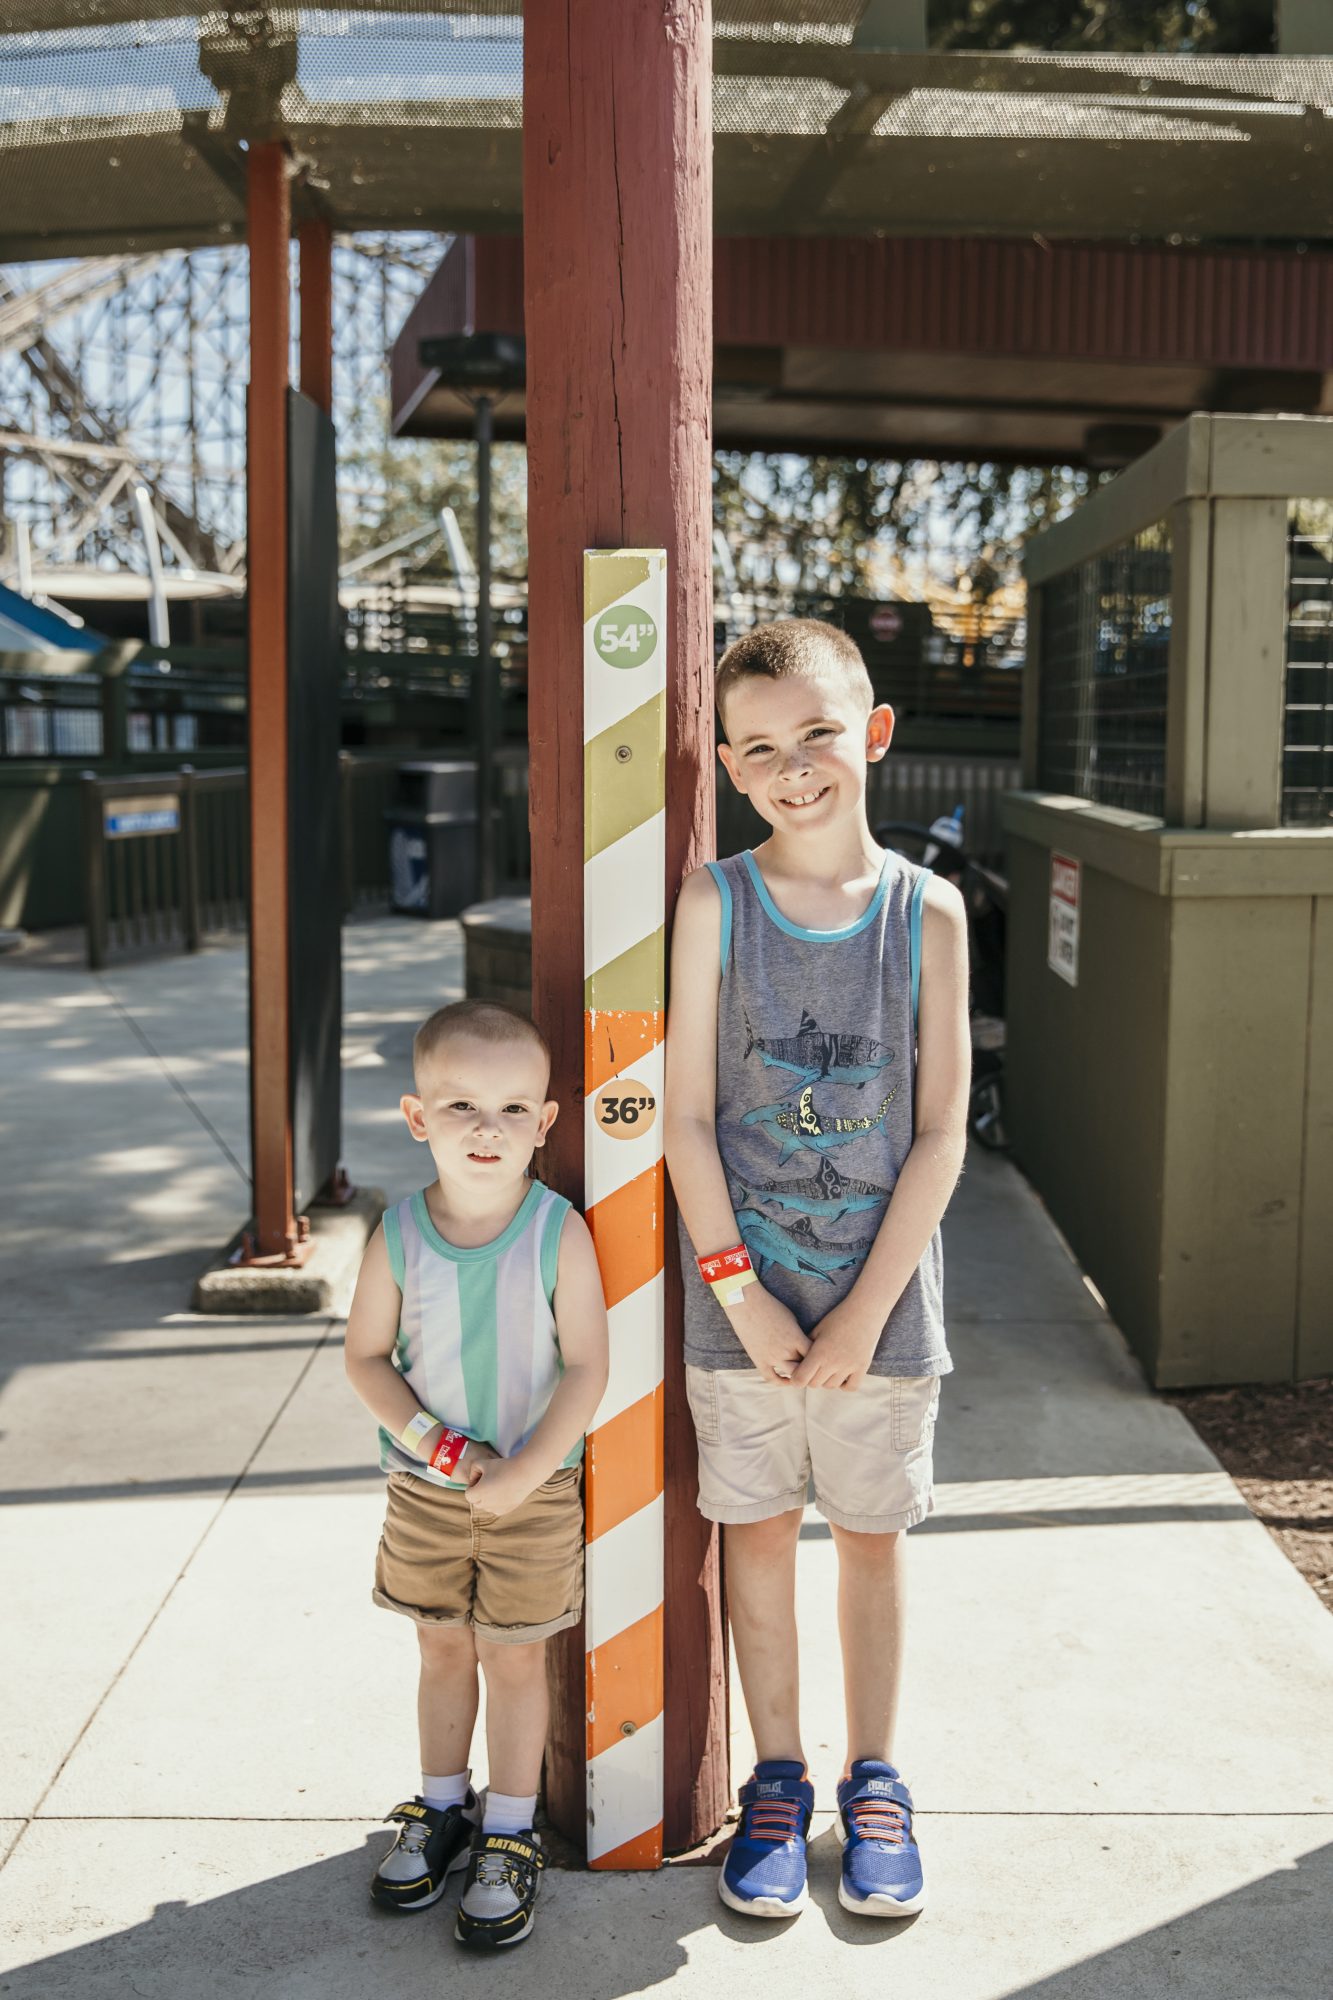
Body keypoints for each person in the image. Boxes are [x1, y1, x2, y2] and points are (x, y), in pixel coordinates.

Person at [664, 619, 969, 1921]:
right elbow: (682, 1118)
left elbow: (943, 1129)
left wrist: (862, 1308)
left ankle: (876, 1780)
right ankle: (776, 1779)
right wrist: (736, 1287)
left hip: (882, 1321)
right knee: (753, 1540)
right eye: (763, 749)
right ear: (731, 770)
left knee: (870, 1540)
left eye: (819, 735)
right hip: (740, 1310)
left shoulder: (928, 912)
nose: (796, 769)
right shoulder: (712, 903)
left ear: (873, 734)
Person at [345, 999, 609, 1950]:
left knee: (513, 1654)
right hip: (426, 1490)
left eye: (511, 1110)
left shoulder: (555, 1232)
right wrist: (447, 1450)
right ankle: (440, 1805)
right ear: (418, 1119)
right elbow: (366, 1360)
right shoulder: (400, 1233)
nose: (485, 1130)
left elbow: (585, 1366)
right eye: (459, 1107)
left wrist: (528, 1468)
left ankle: (508, 1830)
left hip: (533, 1497)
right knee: (440, 1648)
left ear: (544, 1124)